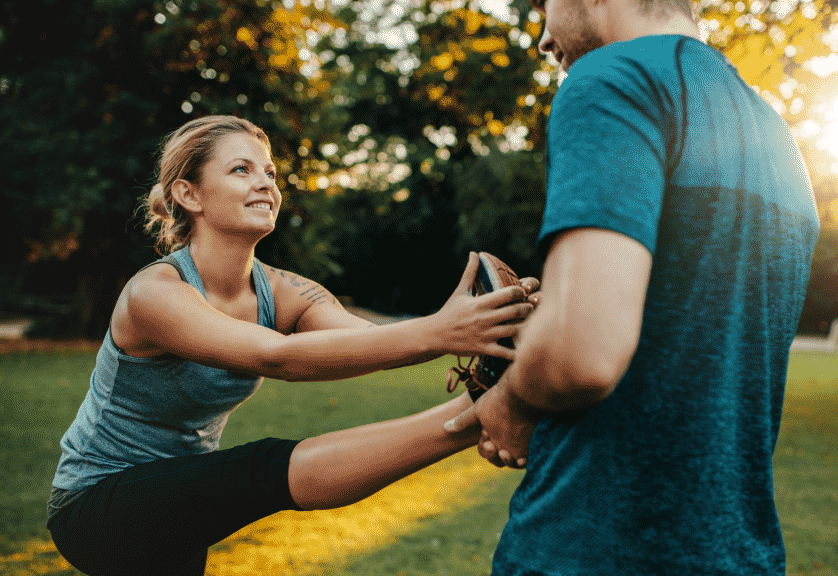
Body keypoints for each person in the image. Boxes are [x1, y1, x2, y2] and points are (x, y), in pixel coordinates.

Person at [46, 115, 539, 576]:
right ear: (188, 194)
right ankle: (473, 416)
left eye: (270, 173)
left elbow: (368, 341)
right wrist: (442, 331)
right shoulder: (155, 293)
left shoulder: (283, 291)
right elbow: (277, 358)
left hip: (183, 498)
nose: (265, 183)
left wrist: (489, 325)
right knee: (260, 468)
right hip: (95, 503)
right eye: (241, 170)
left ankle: (481, 408)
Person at [445, 0, 820, 574]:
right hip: (735, 551)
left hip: (591, 546)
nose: (544, 40)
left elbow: (579, 355)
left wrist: (513, 401)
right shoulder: (776, 135)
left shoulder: (613, 79)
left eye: (544, 6)